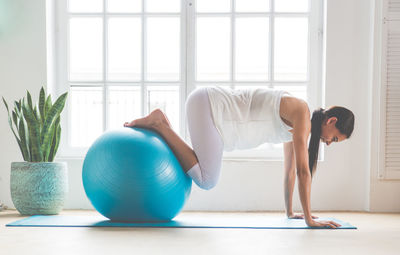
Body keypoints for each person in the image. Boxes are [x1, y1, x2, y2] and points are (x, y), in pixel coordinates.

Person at [124, 86, 355, 229]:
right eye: (334, 139)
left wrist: (291, 213)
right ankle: (160, 124)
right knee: (207, 180)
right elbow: (304, 172)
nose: (329, 143)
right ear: (331, 122)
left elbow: (290, 171)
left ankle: (162, 125)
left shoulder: (296, 126)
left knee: (206, 178)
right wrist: (309, 220)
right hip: (210, 107)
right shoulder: (301, 112)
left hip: (213, 114)